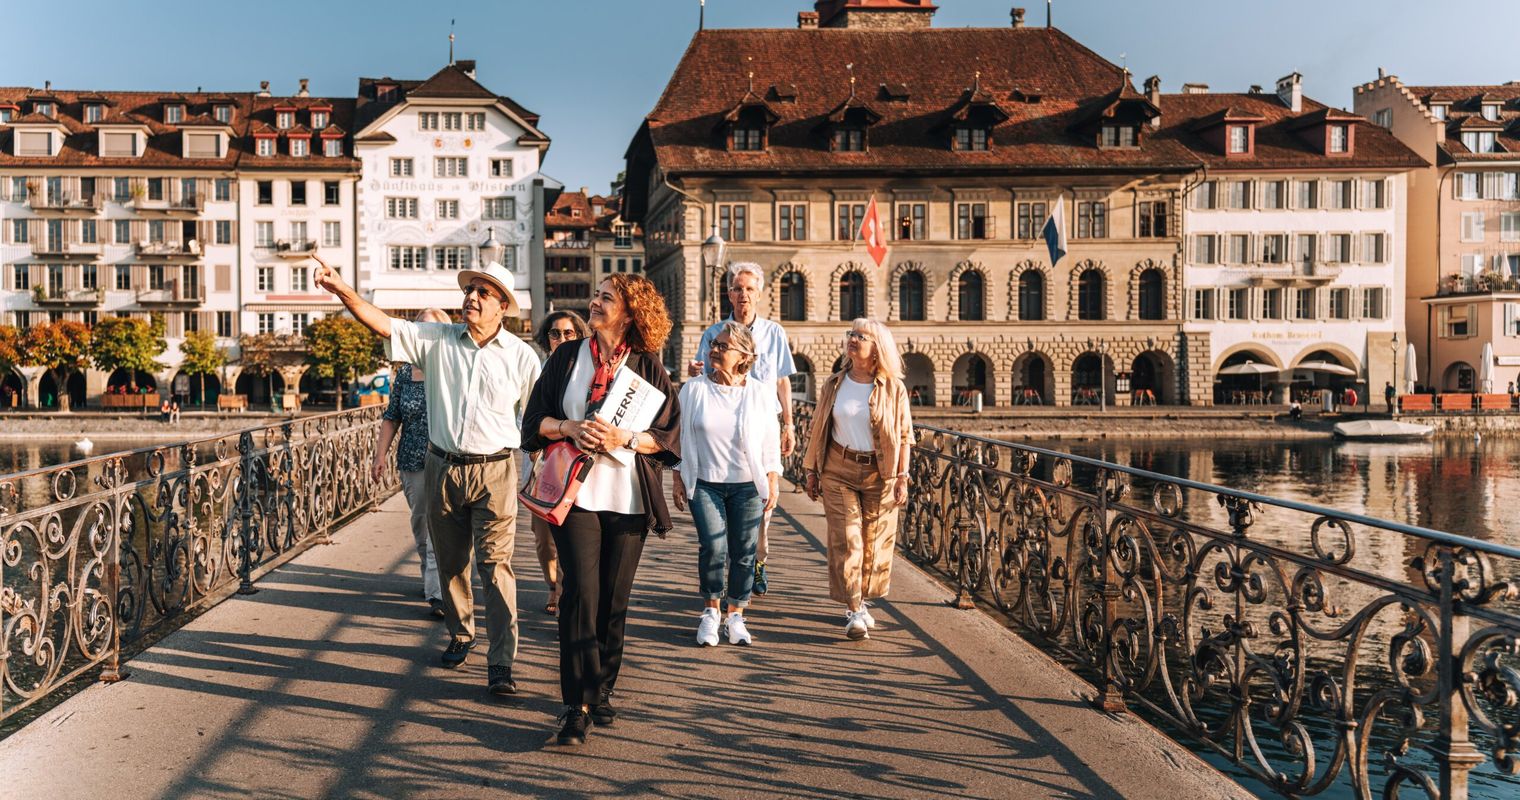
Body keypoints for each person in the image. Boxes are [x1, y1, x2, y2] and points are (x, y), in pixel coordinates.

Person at [313, 255, 540, 698]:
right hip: (441, 466)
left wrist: (534, 471)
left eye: (483, 293)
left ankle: (501, 661)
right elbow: (382, 323)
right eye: (470, 290)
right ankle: (461, 632)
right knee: (452, 562)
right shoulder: (437, 340)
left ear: (502, 307)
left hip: (495, 469)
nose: (471, 298)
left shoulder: (522, 357)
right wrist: (342, 289)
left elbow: (535, 419)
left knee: (496, 568)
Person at [522, 274, 680, 746]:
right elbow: (533, 423)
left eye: (606, 298)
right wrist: (569, 426)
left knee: (613, 601)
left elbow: (668, 439)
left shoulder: (649, 366)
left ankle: (603, 685)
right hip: (575, 496)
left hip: (628, 497)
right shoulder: (567, 357)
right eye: (596, 295)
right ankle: (577, 704)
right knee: (579, 596)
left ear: (630, 312)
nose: (594, 302)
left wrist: (623, 438)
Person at [800, 318, 914, 641]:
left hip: (881, 472)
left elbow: (905, 437)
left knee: (873, 543)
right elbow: (819, 427)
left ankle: (861, 601)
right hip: (839, 469)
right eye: (851, 334)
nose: (853, 339)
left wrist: (902, 477)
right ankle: (853, 609)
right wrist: (812, 471)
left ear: (876, 347)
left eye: (861, 336)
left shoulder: (894, 388)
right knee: (848, 540)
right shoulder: (834, 383)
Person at [688, 262, 796, 596]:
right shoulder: (714, 332)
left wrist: (789, 424)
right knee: (721, 524)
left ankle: (755, 562)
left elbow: (781, 381)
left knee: (761, 509)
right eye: (737, 288)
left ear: (759, 294)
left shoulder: (774, 332)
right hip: (721, 429)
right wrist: (695, 370)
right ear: (729, 294)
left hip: (760, 425)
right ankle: (726, 578)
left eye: (749, 288)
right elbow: (701, 375)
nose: (743, 294)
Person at [672, 321, 781, 647]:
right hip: (705, 483)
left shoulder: (760, 393)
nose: (713, 349)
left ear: (743, 355)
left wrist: (772, 478)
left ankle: (736, 615)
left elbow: (770, 440)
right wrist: (678, 476)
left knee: (745, 552)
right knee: (714, 547)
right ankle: (710, 612)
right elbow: (680, 438)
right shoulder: (694, 389)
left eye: (722, 346)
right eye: (713, 344)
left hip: (748, 485)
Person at [373, 308, 452, 621]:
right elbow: (392, 417)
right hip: (411, 461)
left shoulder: (452, 370)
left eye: (432, 330)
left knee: (439, 530)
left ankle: (438, 593)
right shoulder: (405, 374)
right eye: (420, 329)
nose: (425, 335)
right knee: (421, 526)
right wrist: (380, 455)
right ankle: (430, 576)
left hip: (447, 461)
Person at [528, 310, 591, 615]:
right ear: (546, 338)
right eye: (555, 333)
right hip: (542, 466)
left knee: (573, 536)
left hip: (578, 468)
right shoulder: (536, 370)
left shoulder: (588, 372)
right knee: (543, 540)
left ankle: (565, 593)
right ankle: (552, 583)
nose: (562, 338)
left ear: (580, 336)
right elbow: (524, 417)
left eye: (569, 333)